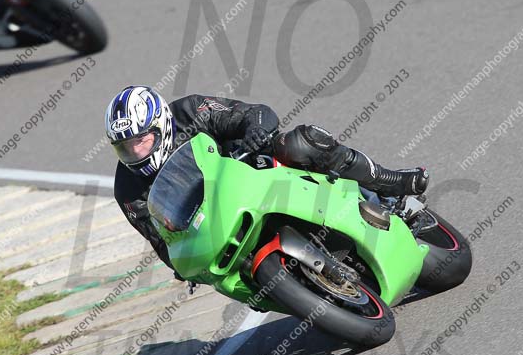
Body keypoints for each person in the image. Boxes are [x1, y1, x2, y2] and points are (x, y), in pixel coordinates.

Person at [108, 85, 429, 270]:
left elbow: (255, 113)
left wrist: (254, 134)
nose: (135, 152)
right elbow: (162, 245)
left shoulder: (191, 111)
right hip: (218, 223)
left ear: (160, 124)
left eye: (141, 140)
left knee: (300, 143)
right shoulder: (127, 188)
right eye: (125, 147)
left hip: (253, 170)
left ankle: (390, 186)